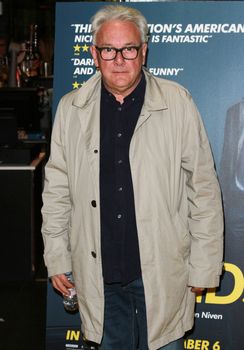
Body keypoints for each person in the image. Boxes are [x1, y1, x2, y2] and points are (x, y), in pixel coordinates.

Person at [41, 5, 224, 350]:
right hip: (97, 273)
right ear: (95, 54)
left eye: (129, 49)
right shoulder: (71, 109)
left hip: (162, 269)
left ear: (144, 52)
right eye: (109, 49)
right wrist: (56, 255)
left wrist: (203, 266)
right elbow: (57, 191)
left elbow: (203, 191)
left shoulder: (177, 103)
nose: (119, 59)